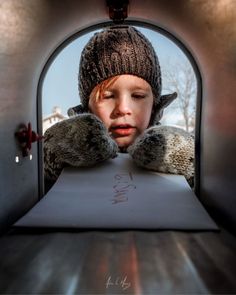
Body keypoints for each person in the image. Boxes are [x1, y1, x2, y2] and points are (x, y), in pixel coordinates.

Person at [44, 25, 194, 190]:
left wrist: (188, 158)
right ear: (87, 107)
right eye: (107, 96)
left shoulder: (168, 147)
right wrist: (53, 151)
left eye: (138, 96)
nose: (122, 109)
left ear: (154, 105)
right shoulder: (71, 146)